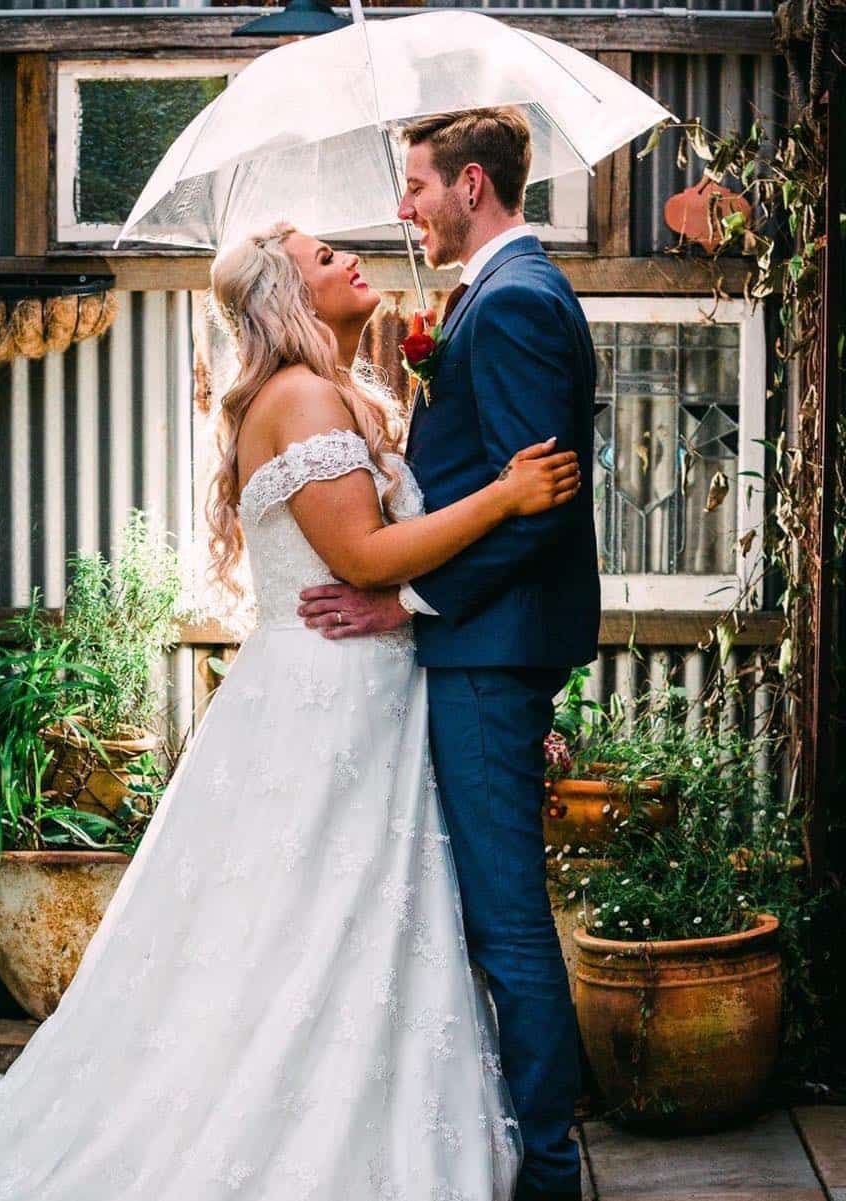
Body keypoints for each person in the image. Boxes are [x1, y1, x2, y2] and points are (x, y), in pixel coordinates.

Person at [0, 220, 579, 1201]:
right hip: (332, 701)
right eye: (324, 258)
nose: (351, 259)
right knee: (316, 924)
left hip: (362, 690)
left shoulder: (338, 392)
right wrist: (506, 498)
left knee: (342, 927)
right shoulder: (299, 398)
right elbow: (365, 559)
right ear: (291, 299)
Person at [297, 108, 600, 1201]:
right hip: (481, 643)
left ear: (473, 184)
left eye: (416, 185)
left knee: (508, 915)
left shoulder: (516, 303)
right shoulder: (494, 294)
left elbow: (536, 508)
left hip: (486, 649)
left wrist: (410, 598)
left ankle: (553, 1168)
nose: (403, 206)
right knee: (488, 907)